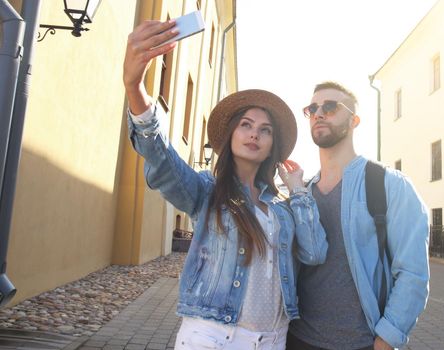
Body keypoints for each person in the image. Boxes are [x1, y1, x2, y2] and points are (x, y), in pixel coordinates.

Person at [123, 20, 328, 350]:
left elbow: (315, 252)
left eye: (265, 130)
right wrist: (135, 88)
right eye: (246, 125)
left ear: (272, 144)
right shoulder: (206, 191)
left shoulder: (283, 208)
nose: (254, 134)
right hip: (213, 337)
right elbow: (162, 160)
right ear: (231, 133)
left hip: (274, 339)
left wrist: (300, 192)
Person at [286, 82, 430, 350]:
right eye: (312, 108)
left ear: (354, 120)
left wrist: (387, 339)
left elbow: (413, 272)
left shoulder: (389, 185)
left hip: (361, 343)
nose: (318, 113)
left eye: (330, 107)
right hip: (298, 339)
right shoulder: (302, 194)